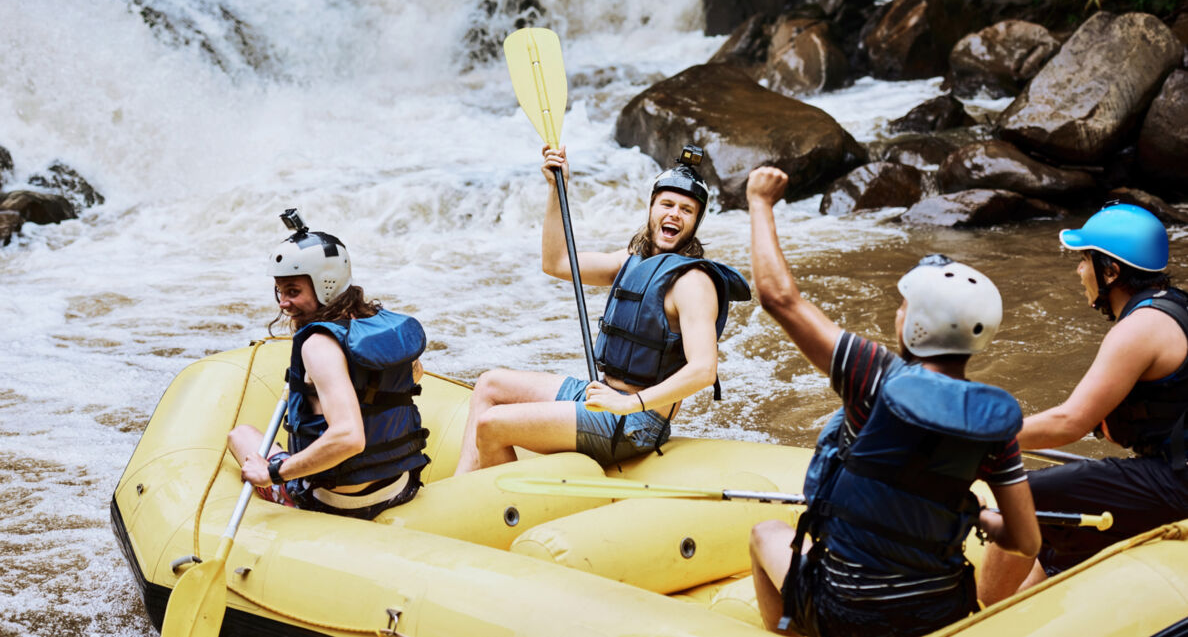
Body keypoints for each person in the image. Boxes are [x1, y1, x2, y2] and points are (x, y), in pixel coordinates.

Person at [745, 166, 1040, 636]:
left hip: (845, 611)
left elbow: (779, 298)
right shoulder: (992, 423)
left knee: (766, 534)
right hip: (940, 613)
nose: (897, 313)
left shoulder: (873, 375)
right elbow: (1025, 541)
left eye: (903, 307)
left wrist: (759, 203)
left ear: (917, 325)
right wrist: (976, 514)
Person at [452, 144, 750, 474]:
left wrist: (628, 403)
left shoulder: (692, 282)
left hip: (635, 420)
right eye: (667, 204)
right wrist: (557, 189)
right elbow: (557, 262)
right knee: (489, 385)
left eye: (686, 210)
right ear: (651, 208)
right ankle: (459, 489)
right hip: (601, 395)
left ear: (694, 223)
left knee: (492, 424)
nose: (674, 214)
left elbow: (704, 370)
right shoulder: (631, 261)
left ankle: (496, 516)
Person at [979, 202, 1188, 605]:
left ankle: (979, 620)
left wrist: (981, 436)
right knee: (1063, 527)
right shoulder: (1175, 307)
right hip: (1171, 469)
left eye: (1084, 260)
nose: (1078, 272)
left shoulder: (1140, 328)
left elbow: (1070, 422)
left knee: (1020, 495)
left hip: (1175, 482)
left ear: (1111, 271)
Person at [229, 209, 430, 520]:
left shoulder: (318, 346)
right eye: (280, 291)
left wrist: (274, 473)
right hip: (400, 484)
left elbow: (350, 437)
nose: (283, 303)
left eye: (293, 291)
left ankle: (287, 494)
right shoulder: (378, 324)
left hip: (338, 500)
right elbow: (414, 373)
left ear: (325, 285)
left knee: (240, 436)